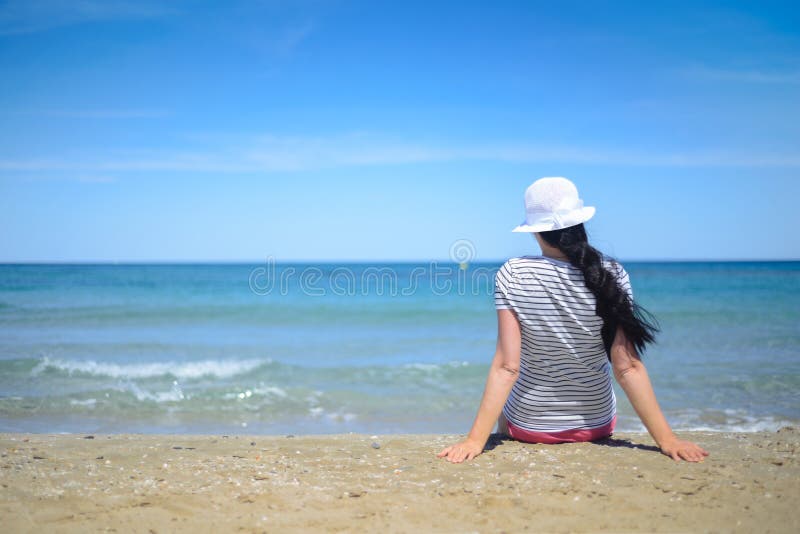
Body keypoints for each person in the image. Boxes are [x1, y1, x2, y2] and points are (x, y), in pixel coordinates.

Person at [437, 177, 709, 464]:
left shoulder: (514, 273)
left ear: (536, 230)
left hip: (529, 427)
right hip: (597, 426)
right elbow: (627, 367)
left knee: (511, 409)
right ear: (579, 223)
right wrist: (668, 440)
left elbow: (507, 367)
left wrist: (475, 441)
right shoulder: (612, 274)